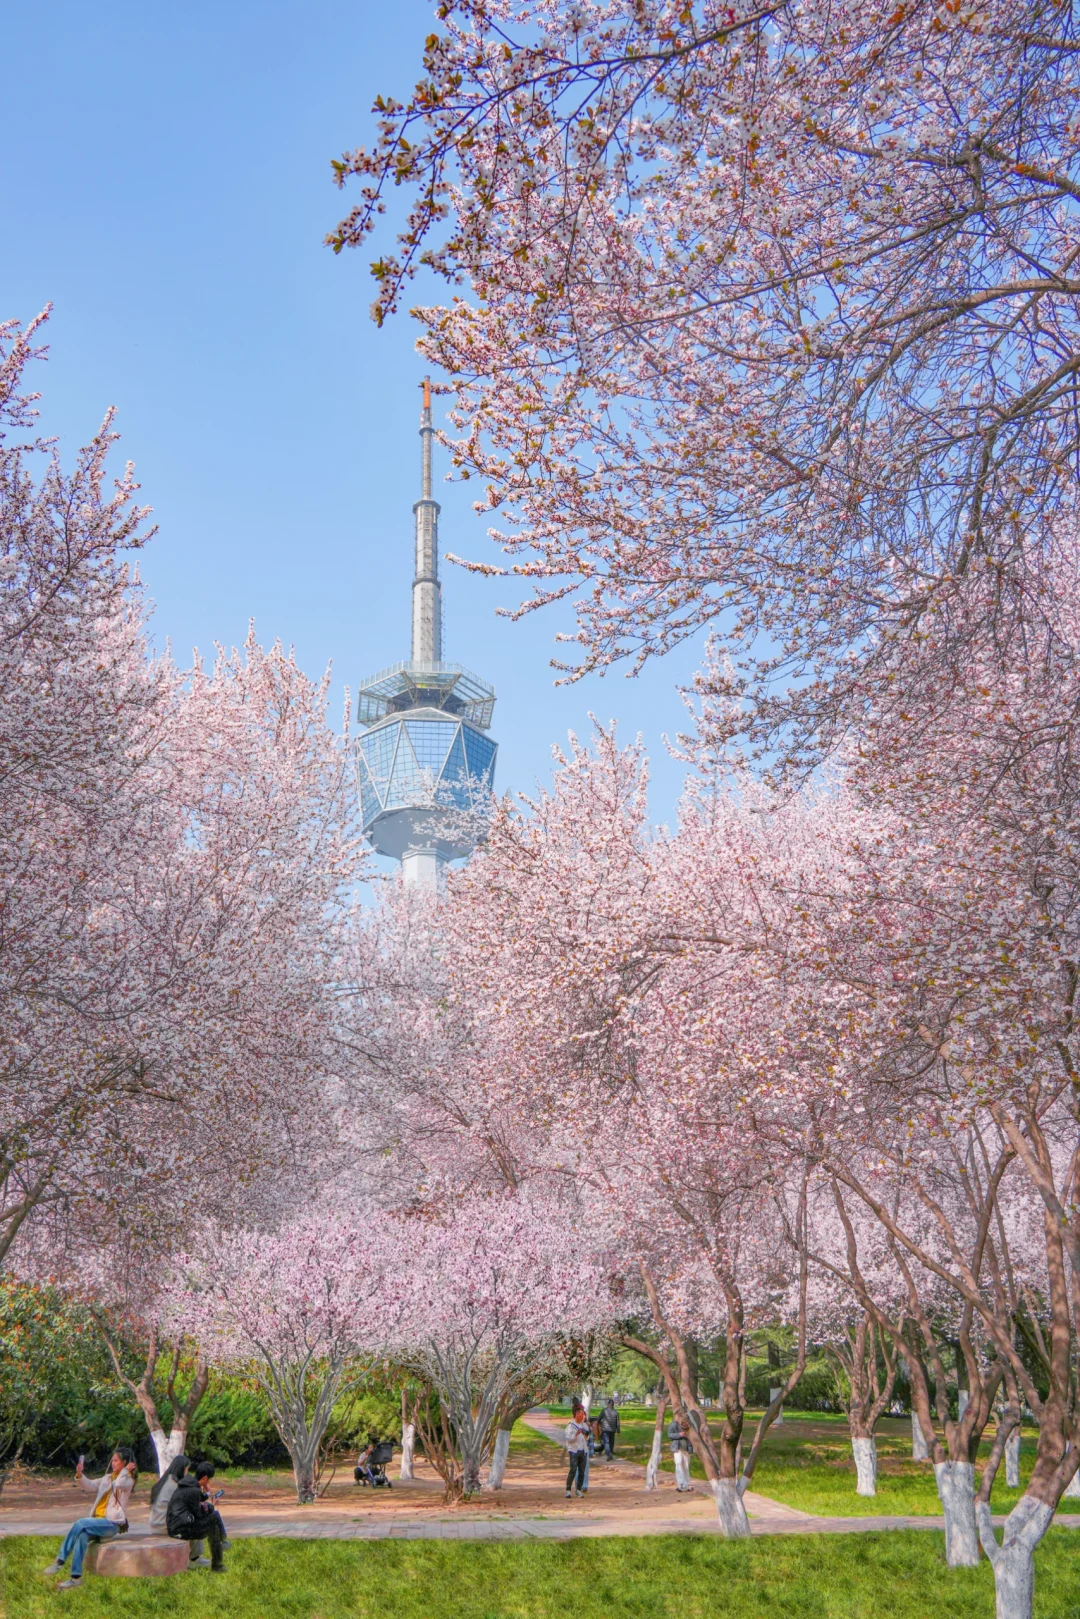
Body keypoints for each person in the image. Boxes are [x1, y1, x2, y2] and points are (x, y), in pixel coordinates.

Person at [43, 1446, 138, 1589]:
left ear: (124, 1463)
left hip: (111, 1524)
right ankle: (75, 1578)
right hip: (97, 1521)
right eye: (112, 1461)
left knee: (80, 1523)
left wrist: (126, 1471)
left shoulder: (128, 1480)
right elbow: (91, 1486)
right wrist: (80, 1475)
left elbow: (118, 1484)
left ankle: (60, 1561)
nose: (113, 1463)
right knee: (82, 1535)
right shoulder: (107, 1478)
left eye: (116, 1461)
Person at [166, 1459, 228, 1572]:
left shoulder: (188, 1484)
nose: (209, 1482)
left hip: (178, 1525)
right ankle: (220, 1549)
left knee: (213, 1519)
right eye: (209, 1479)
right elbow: (199, 1514)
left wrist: (207, 1494)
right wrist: (212, 1505)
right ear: (204, 1478)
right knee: (213, 1517)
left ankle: (220, 1549)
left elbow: (196, 1501)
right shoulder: (193, 1490)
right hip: (180, 1530)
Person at [149, 1455, 208, 1567]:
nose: (187, 1473)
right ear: (181, 1469)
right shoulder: (175, 1485)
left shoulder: (165, 1481)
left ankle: (193, 1557)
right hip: (164, 1526)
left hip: (154, 1525)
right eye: (186, 1470)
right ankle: (194, 1559)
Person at [564, 1403, 590, 1499]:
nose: (582, 1416)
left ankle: (578, 1489)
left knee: (582, 1471)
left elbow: (587, 1438)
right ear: (576, 1414)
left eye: (583, 1414)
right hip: (573, 1450)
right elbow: (568, 1438)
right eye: (580, 1414)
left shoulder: (584, 1426)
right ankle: (568, 1490)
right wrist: (576, 1434)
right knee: (573, 1470)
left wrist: (585, 1434)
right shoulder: (571, 1426)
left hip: (583, 1450)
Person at [669, 1415, 693, 1491]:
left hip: (685, 1449)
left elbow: (692, 1436)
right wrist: (679, 1435)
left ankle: (687, 1484)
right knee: (678, 1464)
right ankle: (680, 1484)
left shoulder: (688, 1425)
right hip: (677, 1448)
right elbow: (670, 1435)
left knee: (686, 1466)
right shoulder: (674, 1424)